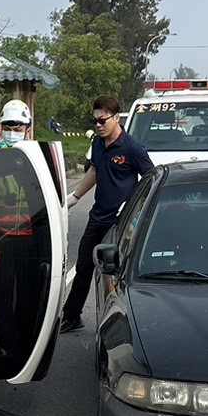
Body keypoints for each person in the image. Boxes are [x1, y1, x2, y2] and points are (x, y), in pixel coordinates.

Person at [58, 95, 153, 334]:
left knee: (115, 273)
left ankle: (120, 323)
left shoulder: (132, 149)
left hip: (120, 222)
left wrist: (135, 208)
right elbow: (95, 170)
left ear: (116, 118)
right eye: (95, 121)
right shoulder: (99, 145)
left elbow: (151, 181)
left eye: (102, 120)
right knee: (83, 266)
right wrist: (75, 197)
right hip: (97, 216)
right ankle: (72, 316)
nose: (98, 125)